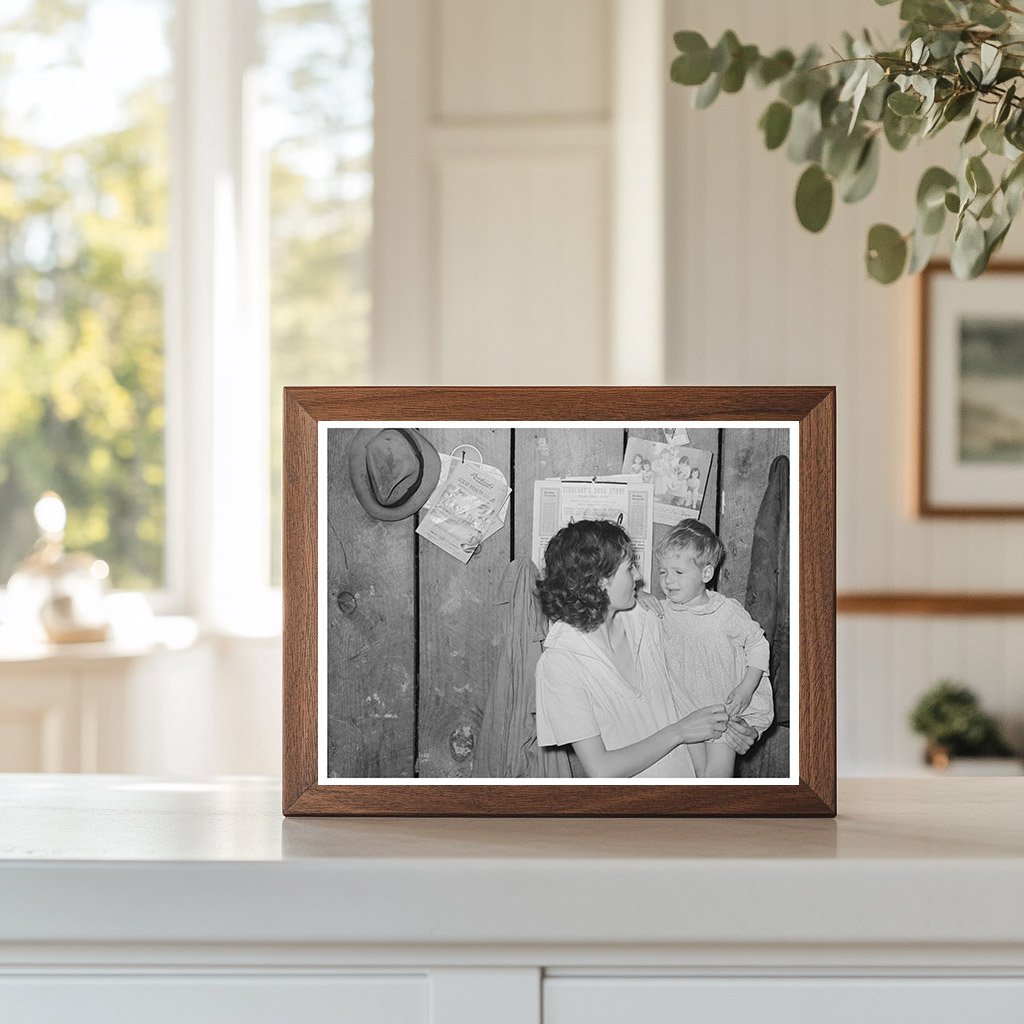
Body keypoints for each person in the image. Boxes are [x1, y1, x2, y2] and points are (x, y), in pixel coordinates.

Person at [534, 520, 755, 778]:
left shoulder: (649, 617)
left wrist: (744, 726)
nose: (639, 577)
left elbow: (721, 663)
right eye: (629, 569)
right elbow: (601, 770)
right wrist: (681, 731)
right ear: (600, 581)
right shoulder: (560, 663)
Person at [655, 519, 773, 778]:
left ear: (706, 574)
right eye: (662, 571)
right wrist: (642, 598)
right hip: (685, 710)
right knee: (697, 774)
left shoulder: (725, 611)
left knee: (718, 776)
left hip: (722, 708)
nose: (668, 580)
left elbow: (757, 643)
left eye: (678, 572)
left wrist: (746, 688)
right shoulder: (662, 611)